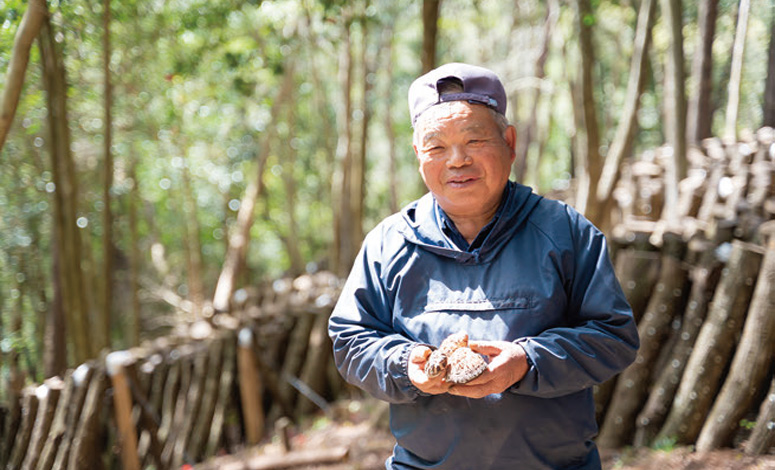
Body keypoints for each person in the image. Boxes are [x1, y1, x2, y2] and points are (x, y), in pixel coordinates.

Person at [328, 62, 639, 470]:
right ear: (418, 154)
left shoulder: (564, 232)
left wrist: (528, 360)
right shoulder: (389, 243)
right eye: (437, 146)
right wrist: (407, 365)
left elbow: (613, 336)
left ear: (509, 142)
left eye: (474, 140)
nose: (457, 160)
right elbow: (351, 341)